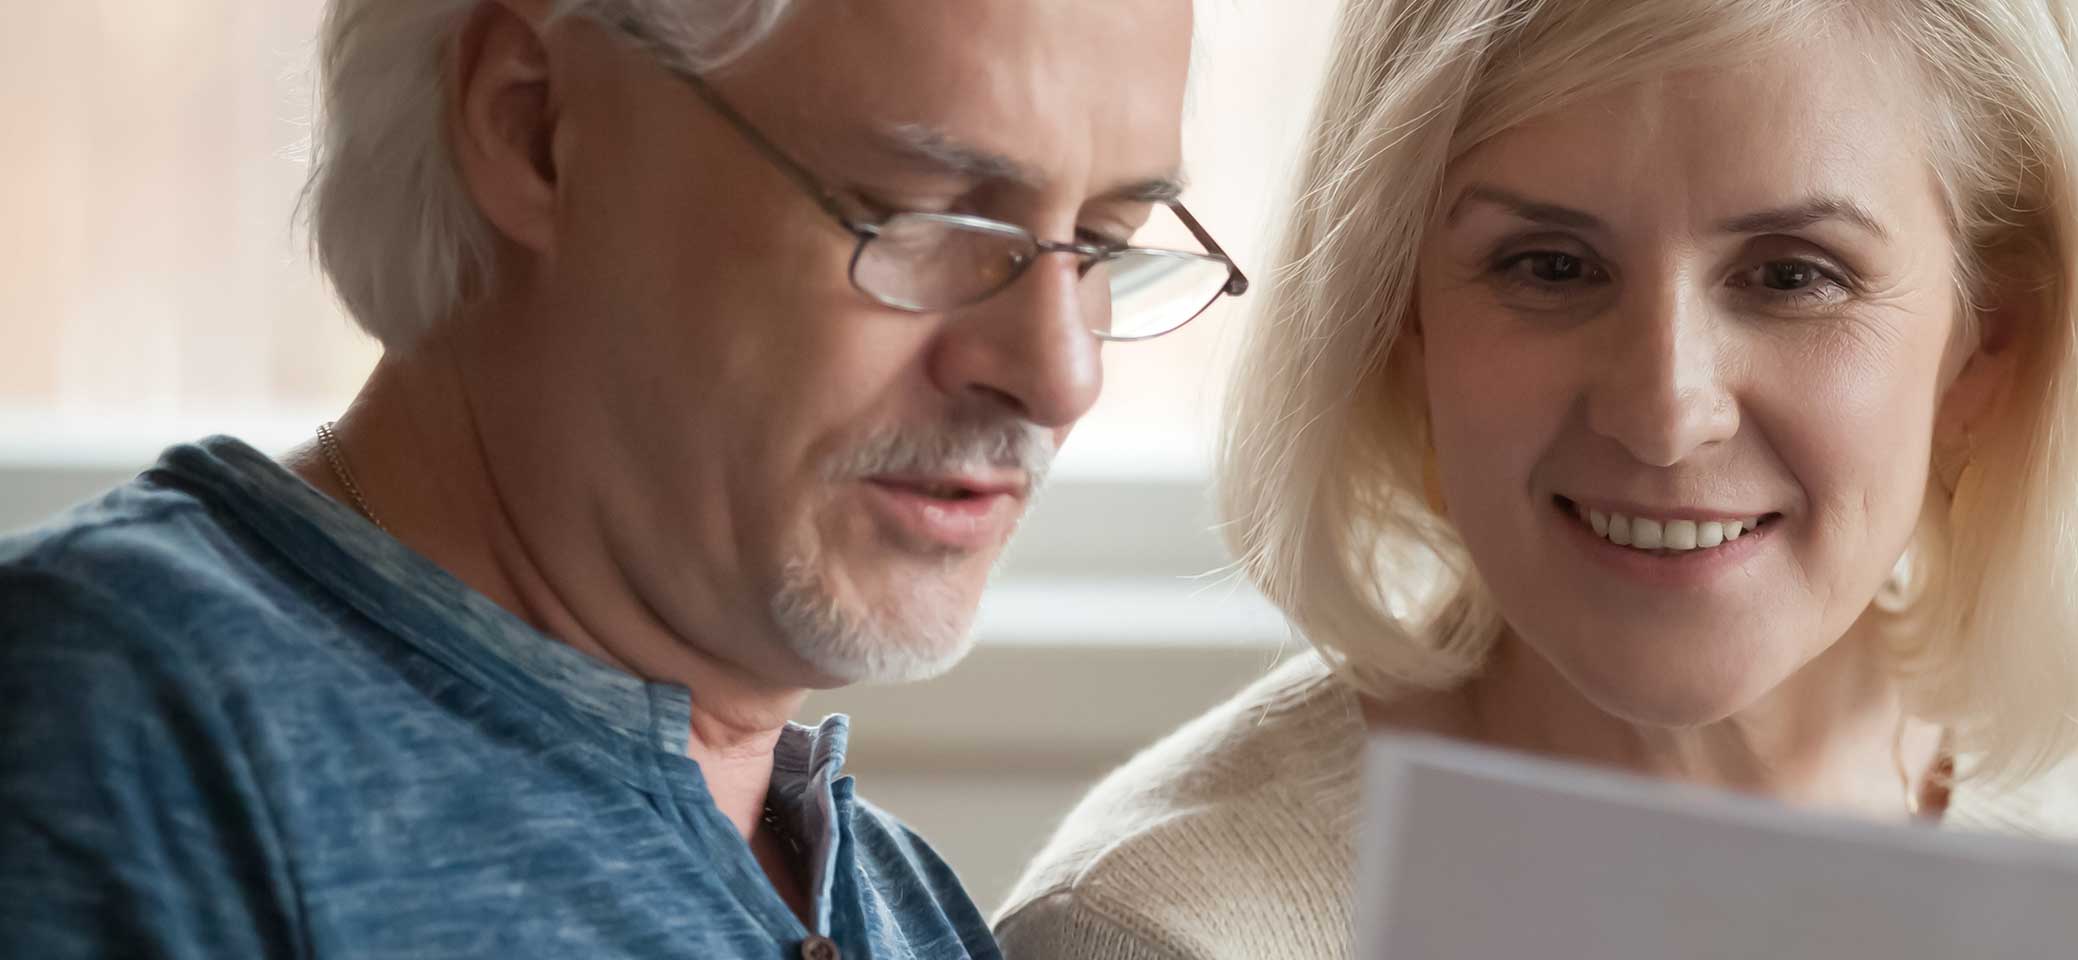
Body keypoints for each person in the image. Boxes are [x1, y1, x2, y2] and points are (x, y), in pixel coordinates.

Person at [992, 0, 2078, 957]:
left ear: (1989, 338)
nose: (1665, 409)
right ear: (1401, 317)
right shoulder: (1167, 933)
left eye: (1794, 276)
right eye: (1549, 266)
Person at [0, 0, 1234, 956]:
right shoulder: (111, 735)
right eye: (924, 217)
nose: (1061, 376)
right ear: (532, 125)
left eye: (1107, 248)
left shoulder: (904, 907)